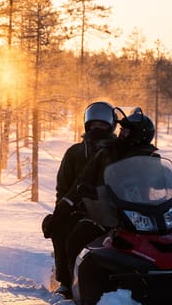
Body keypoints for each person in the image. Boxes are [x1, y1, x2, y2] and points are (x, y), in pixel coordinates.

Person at [59, 107, 160, 300]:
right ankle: (74, 288)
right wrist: (71, 201)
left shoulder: (151, 158)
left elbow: (161, 181)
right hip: (107, 213)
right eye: (121, 130)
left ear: (139, 135)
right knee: (77, 237)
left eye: (126, 131)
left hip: (142, 215)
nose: (121, 134)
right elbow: (85, 178)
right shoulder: (109, 151)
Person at [43, 101, 117, 298]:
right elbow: (63, 187)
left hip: (113, 210)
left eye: (102, 126)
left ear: (111, 127)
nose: (97, 130)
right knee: (61, 229)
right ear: (87, 126)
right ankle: (67, 282)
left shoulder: (118, 151)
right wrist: (62, 210)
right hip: (81, 209)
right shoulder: (75, 152)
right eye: (93, 126)